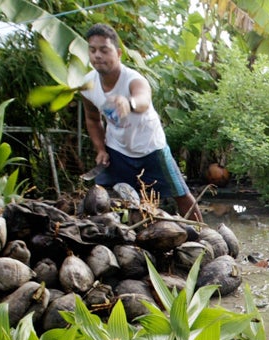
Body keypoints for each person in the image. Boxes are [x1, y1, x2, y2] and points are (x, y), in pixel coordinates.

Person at [80, 23, 201, 220]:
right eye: (92, 50)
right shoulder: (88, 85)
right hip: (117, 149)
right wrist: (101, 149)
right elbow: (92, 119)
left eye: (104, 50)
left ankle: (205, 238)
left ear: (118, 53)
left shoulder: (133, 79)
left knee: (181, 194)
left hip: (151, 147)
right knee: (107, 197)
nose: (97, 55)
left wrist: (129, 103)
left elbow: (143, 100)